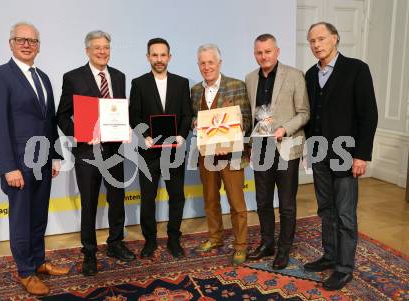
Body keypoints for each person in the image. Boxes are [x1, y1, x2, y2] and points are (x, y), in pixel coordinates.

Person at [0, 22, 68, 295]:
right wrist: (8, 167)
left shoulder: (42, 76)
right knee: (21, 217)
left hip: (44, 160)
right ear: (11, 43)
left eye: (33, 41)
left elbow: (50, 121)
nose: (27, 44)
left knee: (38, 215)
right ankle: (25, 272)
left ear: (39, 46)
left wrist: (55, 156)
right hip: (17, 163)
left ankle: (39, 261)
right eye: (21, 39)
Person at [304, 22, 378, 290]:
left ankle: (344, 268)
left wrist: (361, 155)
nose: (316, 45)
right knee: (326, 209)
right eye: (312, 40)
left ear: (335, 38)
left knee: (345, 213)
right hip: (319, 154)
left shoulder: (356, 69)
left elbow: (368, 115)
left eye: (321, 39)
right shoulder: (310, 75)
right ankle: (330, 255)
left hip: (346, 154)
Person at [57, 30, 135, 277]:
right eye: (97, 47)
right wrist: (79, 133)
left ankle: (115, 244)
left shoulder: (119, 77)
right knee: (89, 204)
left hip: (114, 151)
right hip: (87, 152)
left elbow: (121, 111)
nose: (102, 52)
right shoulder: (73, 77)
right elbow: (61, 115)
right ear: (87, 50)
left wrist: (128, 126)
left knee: (117, 200)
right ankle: (89, 252)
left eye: (106, 47)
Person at [245, 34, 310, 269]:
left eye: (268, 51)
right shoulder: (250, 78)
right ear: (255, 54)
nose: (263, 56)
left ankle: (284, 249)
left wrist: (285, 128)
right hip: (261, 147)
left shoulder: (294, 75)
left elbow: (304, 113)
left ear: (277, 51)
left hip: (286, 146)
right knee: (262, 202)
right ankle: (267, 244)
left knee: (286, 204)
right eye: (259, 52)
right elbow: (252, 116)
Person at [129, 38, 192, 258]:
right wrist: (144, 135)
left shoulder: (181, 83)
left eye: (163, 55)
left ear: (169, 57)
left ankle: (174, 239)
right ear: (148, 57)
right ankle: (150, 241)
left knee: (177, 197)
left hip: (175, 152)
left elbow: (187, 114)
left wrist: (182, 135)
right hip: (149, 153)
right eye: (154, 55)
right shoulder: (138, 83)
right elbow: (134, 115)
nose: (159, 59)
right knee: (147, 199)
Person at [191, 44, 252, 265]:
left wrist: (232, 137)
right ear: (198, 65)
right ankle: (215, 238)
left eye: (211, 62)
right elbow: (192, 120)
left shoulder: (236, 85)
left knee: (237, 204)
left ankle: (240, 245)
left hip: (232, 155)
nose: (207, 67)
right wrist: (195, 123)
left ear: (219, 63)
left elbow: (246, 119)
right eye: (203, 63)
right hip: (207, 155)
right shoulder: (196, 90)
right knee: (210, 199)